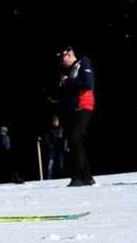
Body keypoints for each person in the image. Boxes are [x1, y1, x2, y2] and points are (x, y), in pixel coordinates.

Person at [57, 45, 96, 187]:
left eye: (62, 58)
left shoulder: (83, 63)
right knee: (75, 141)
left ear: (69, 55)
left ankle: (77, 177)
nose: (61, 61)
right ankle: (87, 177)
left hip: (84, 105)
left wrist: (68, 81)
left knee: (75, 137)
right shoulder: (67, 70)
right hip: (72, 109)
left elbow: (88, 84)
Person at [43, 115, 67, 179]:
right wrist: (50, 147)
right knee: (50, 166)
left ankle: (62, 178)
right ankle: (49, 178)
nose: (56, 122)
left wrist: (65, 147)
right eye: (55, 121)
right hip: (52, 150)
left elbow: (64, 138)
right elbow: (47, 139)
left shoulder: (61, 129)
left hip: (60, 149)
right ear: (53, 122)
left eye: (57, 121)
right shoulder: (49, 130)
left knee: (61, 165)